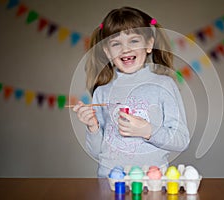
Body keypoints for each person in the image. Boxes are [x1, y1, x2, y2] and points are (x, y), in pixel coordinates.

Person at [73, 6, 190, 177]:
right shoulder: (102, 91)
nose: (125, 49)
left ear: (149, 44)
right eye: (115, 43)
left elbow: (181, 141)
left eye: (134, 41)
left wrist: (148, 131)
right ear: (107, 51)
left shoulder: (165, 85)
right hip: (109, 180)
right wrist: (93, 127)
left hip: (152, 181)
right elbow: (98, 153)